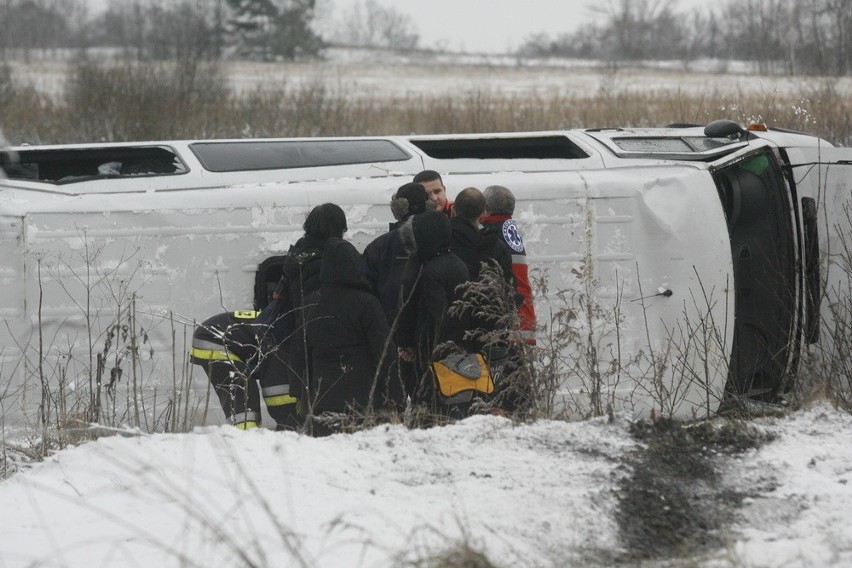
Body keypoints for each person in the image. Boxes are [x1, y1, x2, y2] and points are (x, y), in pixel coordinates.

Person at [190, 203, 347, 430]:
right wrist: (294, 427)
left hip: (241, 336)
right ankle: (246, 448)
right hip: (215, 339)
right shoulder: (282, 340)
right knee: (245, 407)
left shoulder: (298, 261)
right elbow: (280, 401)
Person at [303, 238, 398, 435]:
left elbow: (300, 353)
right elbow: (384, 354)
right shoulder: (367, 304)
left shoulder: (310, 304)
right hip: (363, 403)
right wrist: (396, 397)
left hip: (322, 403)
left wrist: (303, 398)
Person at [396, 211, 470, 413]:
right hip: (459, 352)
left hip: (437, 358)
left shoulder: (431, 270)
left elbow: (434, 317)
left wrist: (422, 350)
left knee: (435, 411)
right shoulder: (457, 263)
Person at [481, 185, 536, 345]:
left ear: (486, 208)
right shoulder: (510, 229)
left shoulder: (490, 232)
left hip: (510, 321)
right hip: (525, 317)